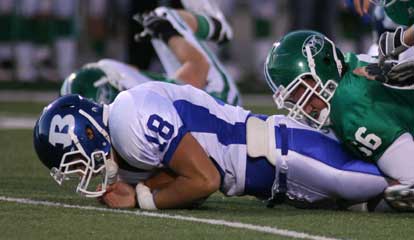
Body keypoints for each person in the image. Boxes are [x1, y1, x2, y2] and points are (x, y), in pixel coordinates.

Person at [33, 81, 391, 211]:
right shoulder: (122, 144)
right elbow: (193, 185)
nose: (83, 172)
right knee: (378, 203)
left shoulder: (129, 119)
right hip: (277, 184)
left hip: (279, 151)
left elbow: (204, 180)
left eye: (77, 162)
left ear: (90, 134)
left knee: (375, 180)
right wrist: (144, 187)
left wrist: (146, 199)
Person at [264, 30, 414, 210]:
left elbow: (410, 181)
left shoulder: (350, 108)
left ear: (323, 67)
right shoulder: (349, 64)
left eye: (300, 92)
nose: (304, 107)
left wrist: (366, 202)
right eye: (293, 99)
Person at [61, 7, 241, 106]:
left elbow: (134, 73)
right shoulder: (143, 99)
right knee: (163, 17)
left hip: (187, 97)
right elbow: (199, 68)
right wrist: (167, 34)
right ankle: (218, 26)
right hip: (220, 102)